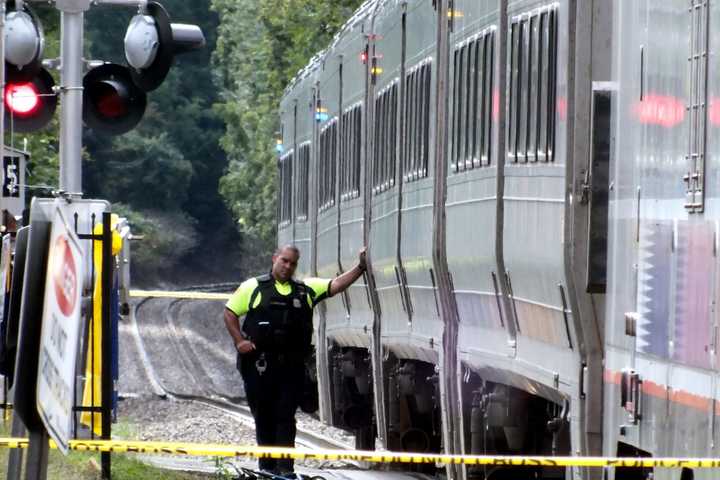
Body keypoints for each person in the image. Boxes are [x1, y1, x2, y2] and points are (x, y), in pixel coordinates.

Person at [224, 244, 367, 476]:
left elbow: (336, 285)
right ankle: (267, 466)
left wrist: (360, 267)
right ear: (275, 259)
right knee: (263, 415)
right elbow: (229, 313)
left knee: (285, 415)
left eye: (292, 263)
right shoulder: (253, 287)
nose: (287, 266)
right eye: (284, 261)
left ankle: (285, 468)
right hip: (259, 367)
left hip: (290, 367)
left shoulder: (305, 289)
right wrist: (239, 341)